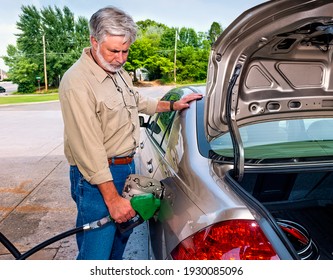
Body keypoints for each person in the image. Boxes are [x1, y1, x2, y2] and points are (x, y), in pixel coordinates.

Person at [58, 6, 202, 260]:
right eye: (114, 50)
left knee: (119, 242)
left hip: (125, 168)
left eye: (125, 51)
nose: (121, 58)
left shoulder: (118, 73)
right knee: (96, 254)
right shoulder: (77, 83)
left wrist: (171, 105)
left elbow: (136, 100)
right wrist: (112, 200)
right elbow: (88, 148)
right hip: (97, 177)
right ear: (94, 41)